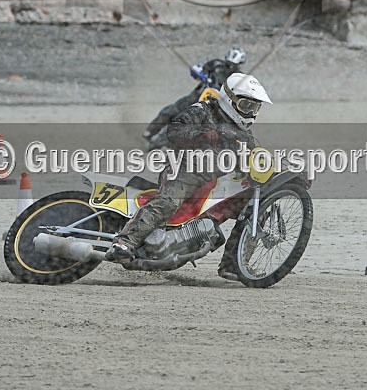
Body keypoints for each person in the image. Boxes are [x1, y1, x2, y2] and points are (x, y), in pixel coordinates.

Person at [106, 72, 272, 281]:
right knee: (168, 201)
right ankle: (124, 242)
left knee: (254, 206)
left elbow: (256, 155)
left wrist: (274, 165)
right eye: (247, 106)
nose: (251, 113)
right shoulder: (203, 110)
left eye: (255, 108)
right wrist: (204, 135)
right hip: (185, 168)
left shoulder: (243, 133)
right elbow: (174, 131)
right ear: (231, 99)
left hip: (216, 180)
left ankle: (233, 265)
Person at [144, 46, 247, 143]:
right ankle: (150, 131)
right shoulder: (216, 64)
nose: (229, 66)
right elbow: (198, 70)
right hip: (198, 94)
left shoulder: (239, 77)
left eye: (233, 65)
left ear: (240, 64)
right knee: (172, 110)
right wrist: (199, 73)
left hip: (214, 104)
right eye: (228, 63)